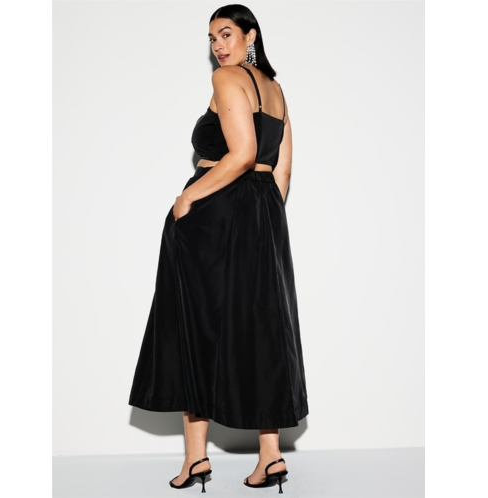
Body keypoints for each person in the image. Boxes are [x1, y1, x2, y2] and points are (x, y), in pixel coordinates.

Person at [129, 4, 309, 494]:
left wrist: (188, 198)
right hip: (263, 215)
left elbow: (242, 154)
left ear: (251, 36)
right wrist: (261, 220)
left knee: (195, 327)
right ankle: (270, 457)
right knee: (259, 329)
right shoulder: (276, 90)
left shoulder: (228, 79)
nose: (218, 46)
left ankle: (196, 459)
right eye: (212, 39)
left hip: (215, 212)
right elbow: (281, 170)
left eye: (226, 34)